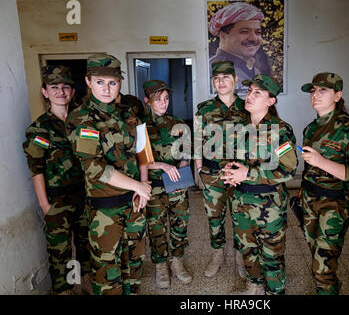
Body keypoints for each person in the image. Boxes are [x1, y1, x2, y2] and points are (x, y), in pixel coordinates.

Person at [66, 54, 152, 295]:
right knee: (107, 270)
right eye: (100, 82)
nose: (106, 88)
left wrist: (143, 186)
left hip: (135, 205)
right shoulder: (82, 119)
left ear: (120, 85)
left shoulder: (130, 114)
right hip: (105, 209)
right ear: (88, 82)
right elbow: (95, 168)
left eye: (112, 83)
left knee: (134, 264)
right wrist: (138, 186)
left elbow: (143, 152)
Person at [221, 74, 298, 295]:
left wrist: (250, 174)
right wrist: (231, 171)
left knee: (271, 256)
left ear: (270, 101)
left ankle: (274, 291)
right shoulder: (239, 128)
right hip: (240, 202)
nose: (249, 96)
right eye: (249, 91)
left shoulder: (280, 130)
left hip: (269, 205)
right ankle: (254, 287)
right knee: (247, 250)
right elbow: (236, 161)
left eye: (257, 93)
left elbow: (289, 169)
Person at [298, 73, 349, 295]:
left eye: (323, 90)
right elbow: (310, 169)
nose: (315, 95)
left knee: (323, 266)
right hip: (309, 200)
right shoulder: (310, 128)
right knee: (316, 256)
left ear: (338, 95)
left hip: (334, 204)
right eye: (313, 91)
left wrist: (322, 161)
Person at [22, 65, 90, 295]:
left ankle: (84, 287)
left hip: (85, 197)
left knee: (85, 248)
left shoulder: (83, 123)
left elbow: (91, 159)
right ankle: (66, 290)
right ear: (44, 92)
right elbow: (36, 168)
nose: (60, 92)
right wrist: (45, 205)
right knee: (60, 253)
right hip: (57, 201)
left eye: (65, 87)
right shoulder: (40, 129)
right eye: (54, 87)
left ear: (72, 92)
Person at [194, 60, 247, 279]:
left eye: (225, 77)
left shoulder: (247, 107)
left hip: (238, 174)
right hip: (212, 173)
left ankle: (240, 256)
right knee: (214, 217)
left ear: (235, 80)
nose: (220, 82)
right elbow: (197, 140)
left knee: (240, 217)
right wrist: (199, 170)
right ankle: (218, 254)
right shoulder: (204, 109)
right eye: (216, 78)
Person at [142, 79, 192, 289]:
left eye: (166, 99)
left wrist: (182, 166)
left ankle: (177, 261)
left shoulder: (178, 123)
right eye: (158, 99)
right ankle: (161, 265)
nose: (163, 103)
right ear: (147, 101)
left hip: (176, 182)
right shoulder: (140, 127)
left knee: (180, 222)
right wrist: (163, 165)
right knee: (156, 226)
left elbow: (187, 152)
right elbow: (140, 160)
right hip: (153, 185)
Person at [209, 2, 272, 94]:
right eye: (244, 32)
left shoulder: (255, 70)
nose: (253, 38)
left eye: (258, 32)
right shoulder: (212, 69)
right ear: (223, 36)